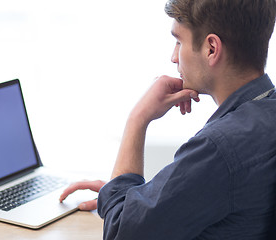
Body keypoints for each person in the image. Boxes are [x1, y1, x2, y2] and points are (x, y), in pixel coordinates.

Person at [60, 0, 276, 239]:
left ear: (211, 49)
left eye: (178, 41)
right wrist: (131, 199)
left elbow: (120, 233)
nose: (174, 57)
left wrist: (138, 118)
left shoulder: (218, 150)